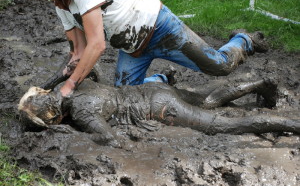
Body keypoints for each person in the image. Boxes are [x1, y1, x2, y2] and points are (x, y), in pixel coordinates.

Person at [35, 0, 268, 97]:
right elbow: (78, 53)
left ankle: (243, 39)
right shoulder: (62, 5)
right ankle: (163, 79)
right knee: (125, 98)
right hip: (132, 48)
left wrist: (70, 86)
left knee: (220, 66)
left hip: (160, 27)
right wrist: (47, 87)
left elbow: (96, 45)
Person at [19, 77, 300, 146]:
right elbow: (95, 71)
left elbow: (110, 139)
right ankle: (256, 84)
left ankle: (291, 123)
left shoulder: (81, 113)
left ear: (53, 118)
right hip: (155, 90)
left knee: (220, 125)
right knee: (208, 100)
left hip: (160, 108)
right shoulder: (79, 84)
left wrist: (69, 132)